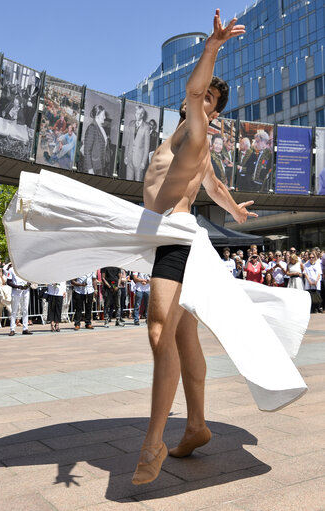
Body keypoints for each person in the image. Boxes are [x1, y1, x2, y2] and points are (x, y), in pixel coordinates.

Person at [133, 10, 254, 485]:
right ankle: (197, 425)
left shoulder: (197, 127)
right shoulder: (182, 139)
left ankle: (152, 443)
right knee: (183, 337)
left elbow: (193, 91)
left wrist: (213, 47)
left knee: (160, 331)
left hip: (178, 235)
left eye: (212, 103)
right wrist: (236, 211)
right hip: (166, 234)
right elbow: (215, 185)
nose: (207, 106)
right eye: (206, 101)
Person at [82, 105, 111, 176]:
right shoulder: (92, 128)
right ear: (97, 116)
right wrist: (90, 169)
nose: (105, 117)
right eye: (103, 115)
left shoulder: (100, 127)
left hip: (100, 165)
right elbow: (87, 150)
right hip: (94, 167)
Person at [124, 105, 150, 181]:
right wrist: (125, 156)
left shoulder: (146, 127)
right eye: (136, 113)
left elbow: (146, 147)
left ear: (142, 115)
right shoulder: (131, 124)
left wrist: (144, 162)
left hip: (139, 161)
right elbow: (128, 141)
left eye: (138, 113)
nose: (136, 115)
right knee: (128, 182)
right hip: (129, 159)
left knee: (137, 182)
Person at [6, 265, 33, 336]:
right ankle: (12, 329)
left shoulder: (26, 268)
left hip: (26, 291)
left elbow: (30, 280)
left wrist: (28, 284)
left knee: (25, 309)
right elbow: (8, 281)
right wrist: (17, 286)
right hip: (16, 291)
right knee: (14, 310)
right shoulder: (11, 269)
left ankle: (25, 328)